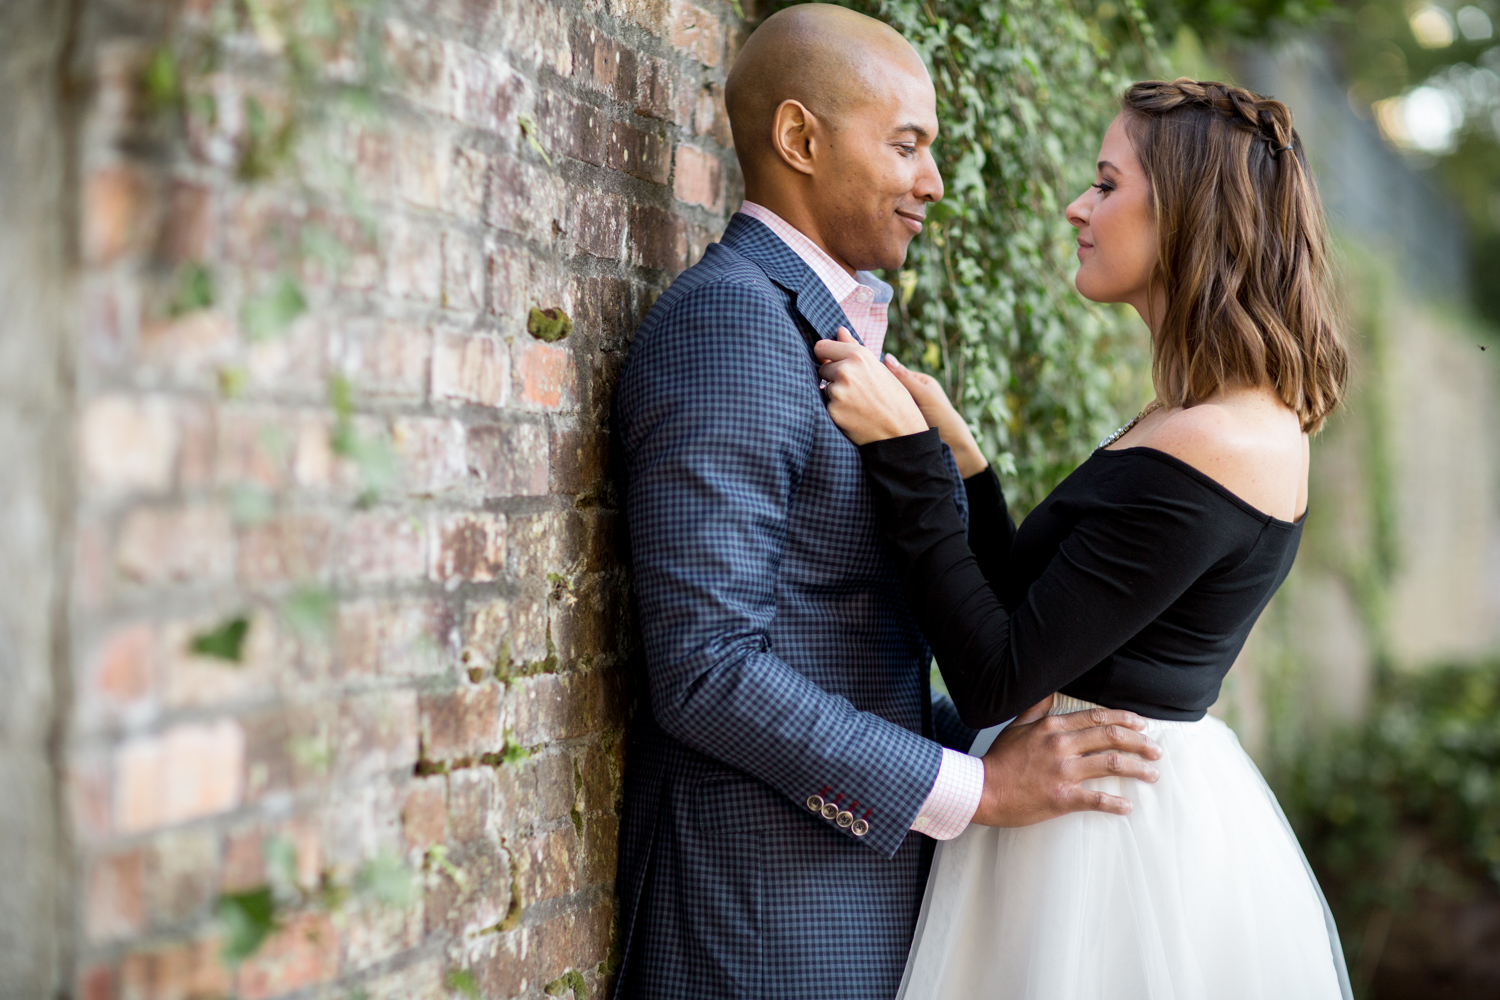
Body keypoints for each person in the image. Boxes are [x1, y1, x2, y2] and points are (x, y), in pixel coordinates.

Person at [610, 6, 1164, 997]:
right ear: (799, 139)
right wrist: (977, 787)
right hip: (759, 927)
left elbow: (847, 643)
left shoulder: (820, 331)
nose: (934, 183)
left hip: (848, 905)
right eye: (906, 144)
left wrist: (994, 741)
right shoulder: (731, 329)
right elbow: (705, 671)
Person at [814, 79, 1354, 999]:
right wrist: (966, 465)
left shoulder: (1217, 441)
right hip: (1087, 805)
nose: (1078, 206)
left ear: (1187, 215)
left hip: (1099, 850)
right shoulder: (1209, 417)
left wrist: (907, 460)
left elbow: (996, 674)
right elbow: (1041, 616)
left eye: (1106, 184)